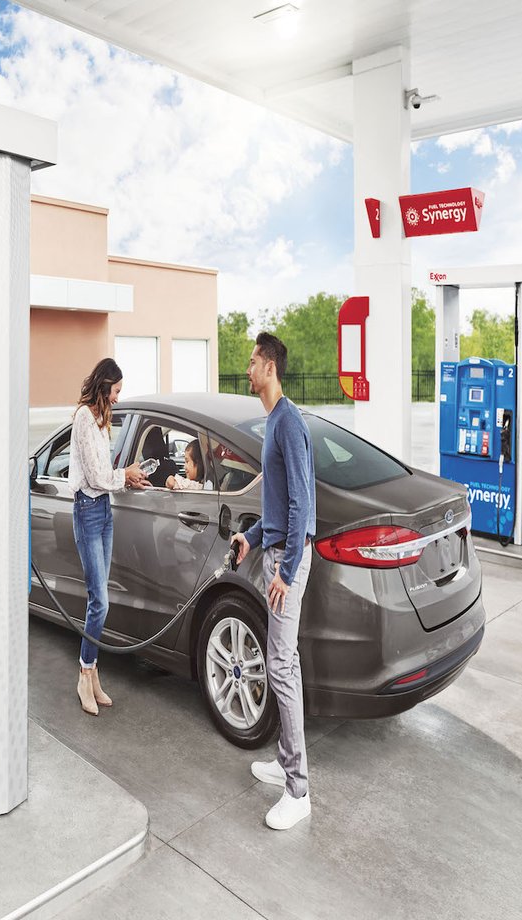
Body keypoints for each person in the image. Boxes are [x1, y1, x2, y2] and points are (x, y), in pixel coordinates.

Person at [230, 332, 316, 831]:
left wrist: (285, 571)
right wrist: (250, 537)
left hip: (288, 562)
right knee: (284, 661)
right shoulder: (273, 422)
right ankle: (286, 763)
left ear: (270, 368)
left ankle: (298, 791)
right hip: (276, 551)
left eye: (252, 362)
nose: (247, 369)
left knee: (281, 665)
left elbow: (302, 504)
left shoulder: (289, 423)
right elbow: (279, 508)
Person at [68, 358, 149, 716]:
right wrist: (124, 475)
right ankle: (84, 675)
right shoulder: (84, 419)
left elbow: (106, 476)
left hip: (103, 510)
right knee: (99, 600)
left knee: (101, 600)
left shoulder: (101, 420)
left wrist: (130, 478)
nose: (118, 397)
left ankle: (92, 672)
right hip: (87, 510)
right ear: (104, 386)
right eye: (116, 390)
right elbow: (97, 476)